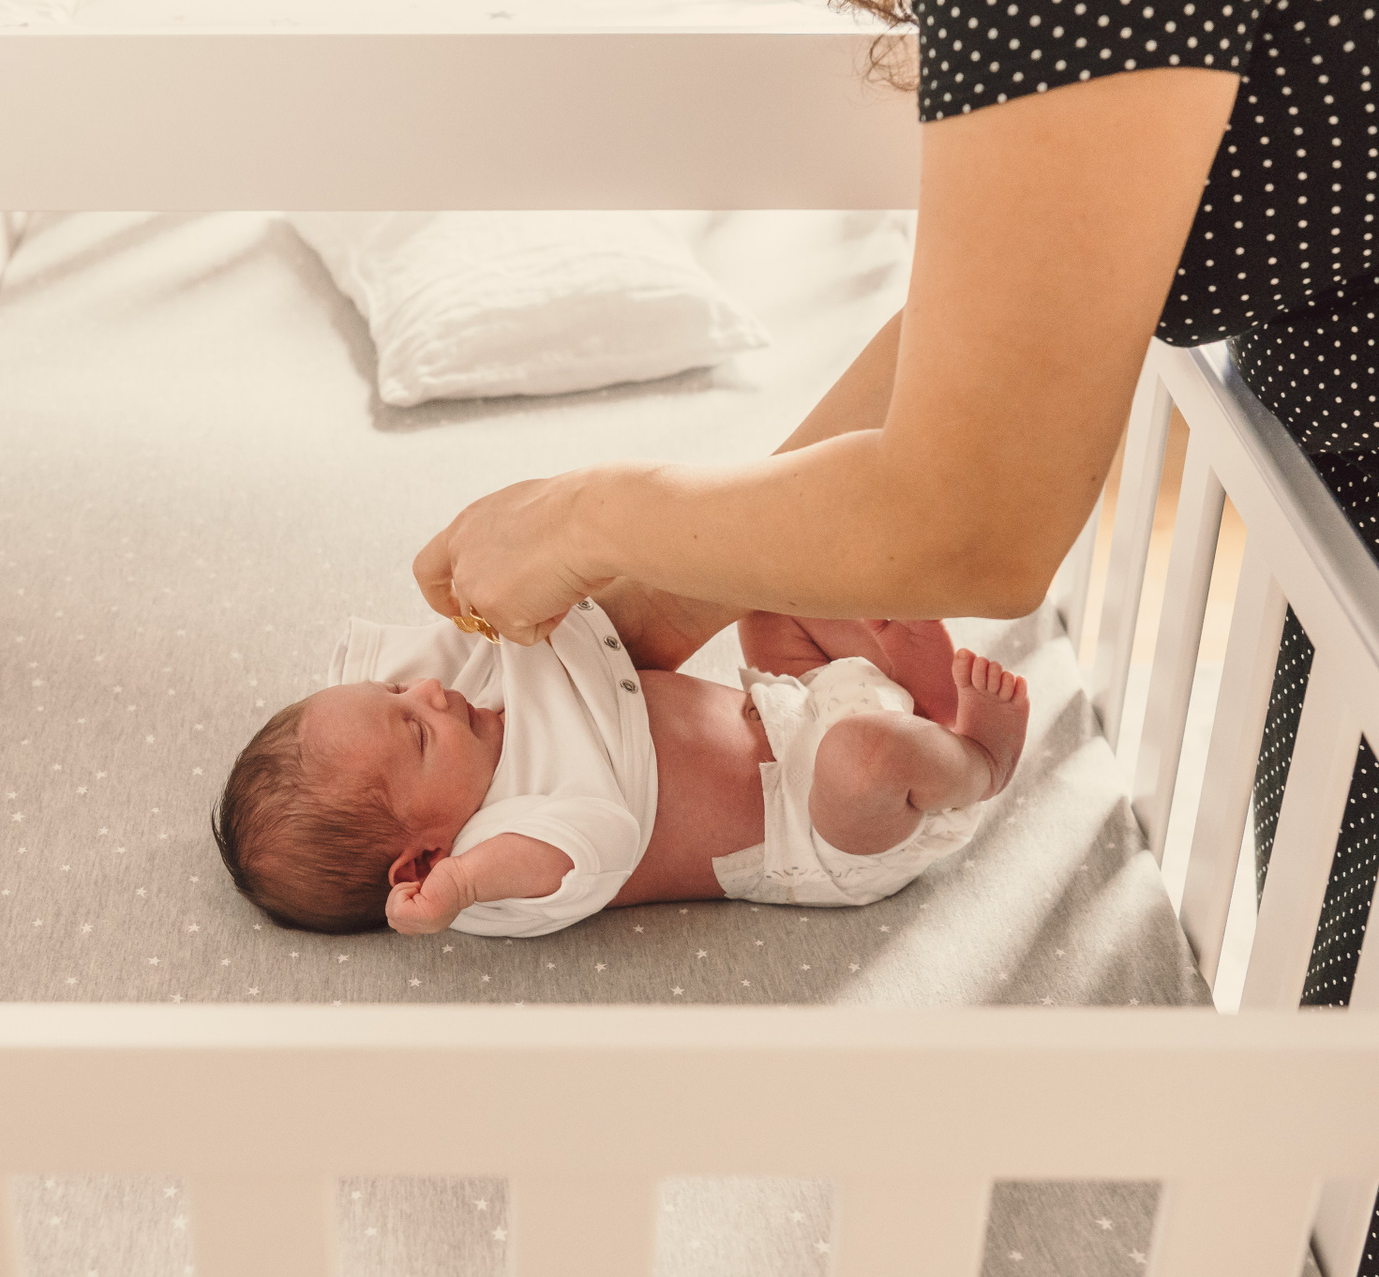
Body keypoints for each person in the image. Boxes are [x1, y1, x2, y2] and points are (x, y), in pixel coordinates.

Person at [416, 1, 1377, 1254]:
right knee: (1339, 1084)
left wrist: (592, 515)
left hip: (1343, 531)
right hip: (1343, 515)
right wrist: (664, 600)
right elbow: (1017, 318)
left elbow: (977, 523)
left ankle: (969, 758)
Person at [210, 604, 1027, 937]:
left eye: (399, 695)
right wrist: (458, 886)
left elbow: (441, 651)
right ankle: (978, 760)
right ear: (423, 858)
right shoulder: (503, 850)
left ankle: (910, 701)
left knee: (767, 594)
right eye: (418, 731)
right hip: (825, 827)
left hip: (794, 701)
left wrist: (381, 697)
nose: (430, 694)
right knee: (865, 759)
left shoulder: (472, 709)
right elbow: (599, 840)